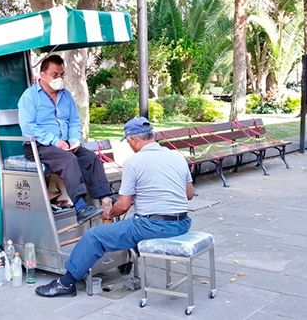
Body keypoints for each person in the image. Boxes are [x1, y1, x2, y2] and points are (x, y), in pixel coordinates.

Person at [35, 116, 194, 297]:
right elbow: (188, 194)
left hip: (154, 227)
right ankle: (125, 260)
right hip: (182, 223)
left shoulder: (134, 163)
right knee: (129, 225)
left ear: (133, 139)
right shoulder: (177, 156)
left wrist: (108, 212)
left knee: (94, 236)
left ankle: (65, 284)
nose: (129, 145)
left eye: (128, 141)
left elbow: (124, 206)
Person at [17, 54, 112, 223]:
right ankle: (80, 206)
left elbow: (74, 120)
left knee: (90, 158)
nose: (59, 78)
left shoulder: (65, 95)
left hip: (65, 145)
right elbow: (28, 126)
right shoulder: (30, 96)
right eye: (55, 74)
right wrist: (55, 141)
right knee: (68, 160)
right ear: (43, 75)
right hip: (38, 146)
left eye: (62, 74)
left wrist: (74, 139)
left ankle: (106, 200)